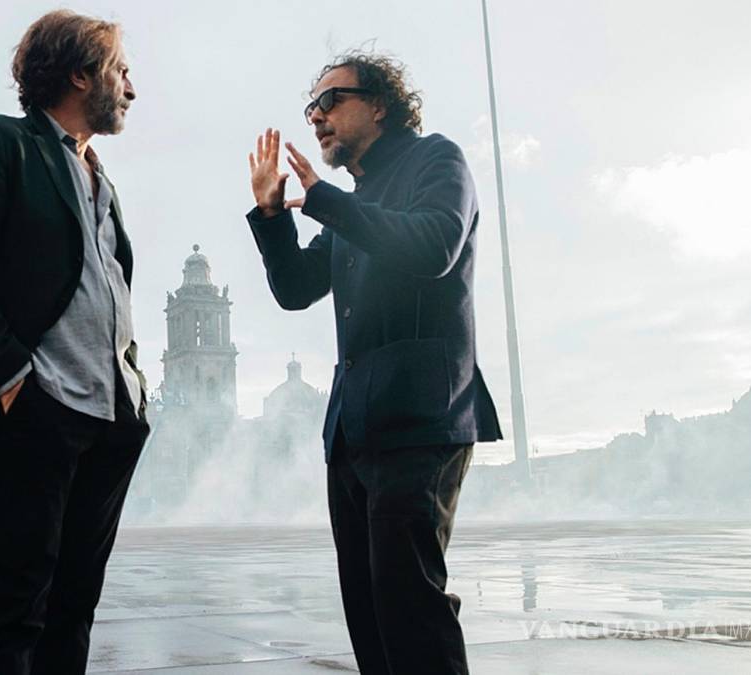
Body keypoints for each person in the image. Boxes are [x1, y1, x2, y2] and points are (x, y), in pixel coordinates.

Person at [245, 51, 502, 674]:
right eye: (311, 108)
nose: (316, 117)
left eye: (330, 101)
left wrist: (326, 201)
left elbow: (435, 246)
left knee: (410, 608)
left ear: (381, 104)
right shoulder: (353, 202)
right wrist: (273, 216)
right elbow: (296, 288)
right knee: (368, 613)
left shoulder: (436, 160)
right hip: (353, 429)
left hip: (421, 416)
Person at [0, 10, 149, 674]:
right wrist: (13, 381)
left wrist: (134, 389)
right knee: (14, 610)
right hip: (41, 409)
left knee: (73, 610)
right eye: (120, 71)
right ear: (80, 74)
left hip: (111, 418)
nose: (131, 89)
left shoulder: (101, 177)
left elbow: (109, 289)